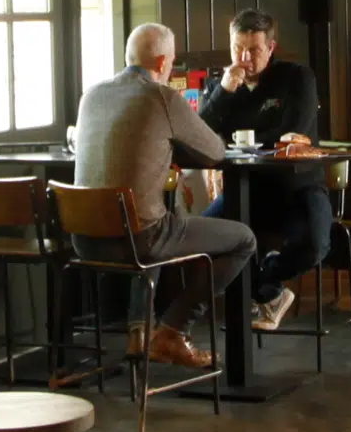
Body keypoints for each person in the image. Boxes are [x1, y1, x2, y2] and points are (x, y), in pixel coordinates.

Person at [73, 23, 255, 367]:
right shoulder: (162, 97)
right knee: (243, 240)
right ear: (161, 63)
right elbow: (215, 152)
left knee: (153, 215)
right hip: (139, 239)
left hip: (84, 240)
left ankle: (140, 333)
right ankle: (173, 330)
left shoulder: (91, 95)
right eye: (171, 61)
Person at [199, 8, 328, 331]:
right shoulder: (222, 88)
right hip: (245, 190)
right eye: (237, 49)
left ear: (270, 48)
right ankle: (269, 296)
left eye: (254, 50)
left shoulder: (297, 78)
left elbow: (292, 132)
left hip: (297, 185)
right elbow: (198, 134)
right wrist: (223, 91)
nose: (244, 58)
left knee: (314, 245)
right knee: (202, 242)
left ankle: (268, 277)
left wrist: (243, 143)